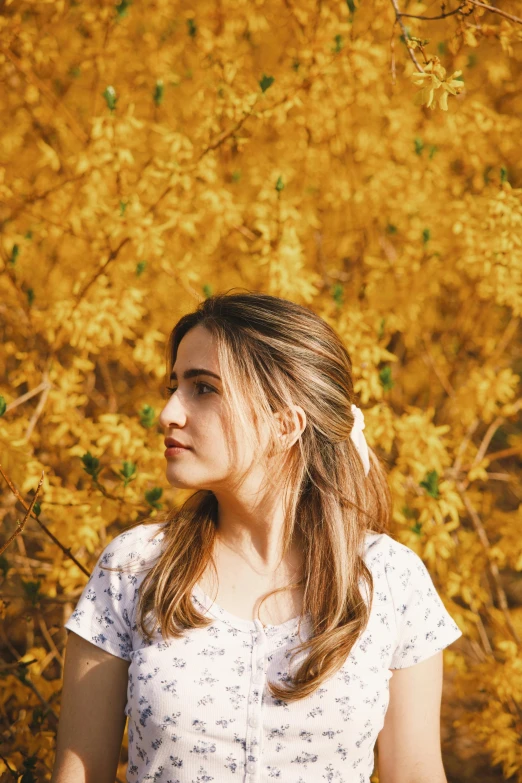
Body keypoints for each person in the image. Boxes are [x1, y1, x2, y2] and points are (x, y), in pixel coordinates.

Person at [52, 290, 462, 783]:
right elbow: (78, 774)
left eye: (203, 388)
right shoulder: (135, 567)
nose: (167, 414)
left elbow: (416, 772)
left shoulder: (390, 580)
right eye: (174, 385)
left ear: (284, 424)